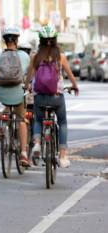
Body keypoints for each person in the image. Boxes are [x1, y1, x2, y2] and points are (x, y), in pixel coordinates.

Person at [25, 25, 79, 168]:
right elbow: (70, 75)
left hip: (40, 97)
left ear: (40, 41)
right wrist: (75, 86)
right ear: (55, 41)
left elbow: (29, 77)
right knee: (62, 122)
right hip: (56, 97)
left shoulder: (35, 57)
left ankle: (37, 143)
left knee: (37, 119)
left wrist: (27, 87)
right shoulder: (60, 57)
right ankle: (62, 155)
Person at [0, 26, 31, 166]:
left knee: (7, 107)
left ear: (4, 40)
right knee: (21, 119)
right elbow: (28, 74)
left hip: (3, 93)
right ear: (17, 40)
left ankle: (2, 126)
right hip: (18, 93)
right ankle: (24, 154)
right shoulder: (24, 56)